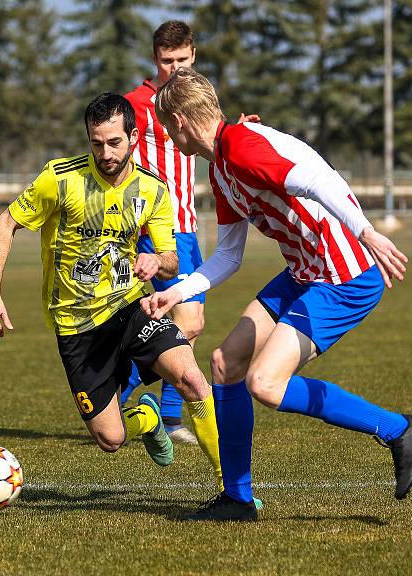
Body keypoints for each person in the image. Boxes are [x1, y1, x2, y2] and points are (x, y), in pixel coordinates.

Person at [141, 68, 412, 521]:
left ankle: (398, 430)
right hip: (303, 272)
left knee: (265, 383)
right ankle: (237, 500)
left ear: (178, 120)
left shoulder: (241, 147)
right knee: (225, 363)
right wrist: (177, 292)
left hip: (344, 276)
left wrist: (367, 232)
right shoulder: (221, 168)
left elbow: (318, 179)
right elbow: (229, 257)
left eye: (165, 126)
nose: (167, 137)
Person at [0, 92, 224, 497]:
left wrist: (156, 263)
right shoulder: (61, 178)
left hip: (130, 307)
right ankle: (145, 417)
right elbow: (7, 222)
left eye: (114, 142)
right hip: (76, 325)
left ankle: (232, 490)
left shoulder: (153, 190)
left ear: (134, 137)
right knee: (110, 438)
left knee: (194, 380)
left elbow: (172, 258)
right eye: (96, 142)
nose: (105, 152)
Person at [123, 21, 258, 444]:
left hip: (188, 226)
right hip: (156, 229)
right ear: (154, 59)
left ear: (193, 55)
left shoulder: (196, 97)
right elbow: (106, 146)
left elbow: (214, 136)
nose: (175, 68)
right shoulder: (137, 104)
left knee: (188, 322)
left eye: (182, 59)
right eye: (166, 61)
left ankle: (159, 410)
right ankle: (123, 399)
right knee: (189, 317)